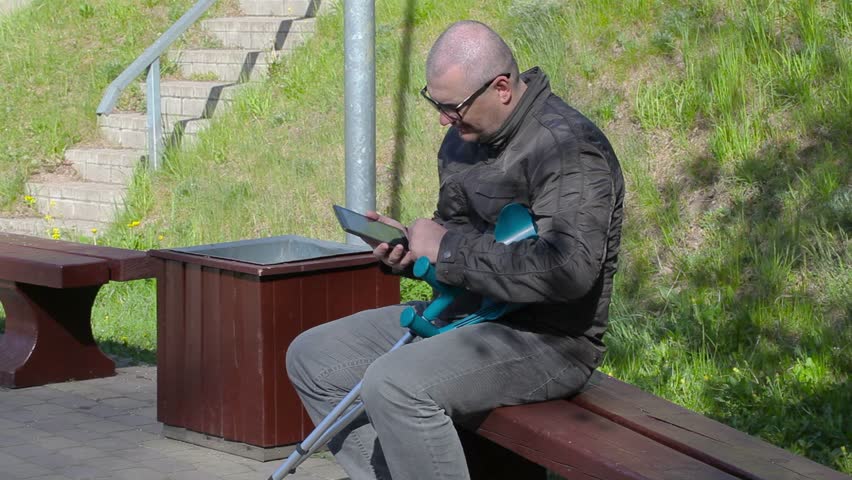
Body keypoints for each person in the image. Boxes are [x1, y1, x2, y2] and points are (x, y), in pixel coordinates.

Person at [286, 20, 624, 480]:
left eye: (453, 106)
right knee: (313, 357)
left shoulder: (568, 149)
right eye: (436, 103)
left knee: (395, 384)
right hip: (463, 315)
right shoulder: (464, 140)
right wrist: (410, 252)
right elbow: (457, 237)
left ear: (501, 87)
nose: (444, 119)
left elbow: (566, 270)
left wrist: (446, 250)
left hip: (547, 338)